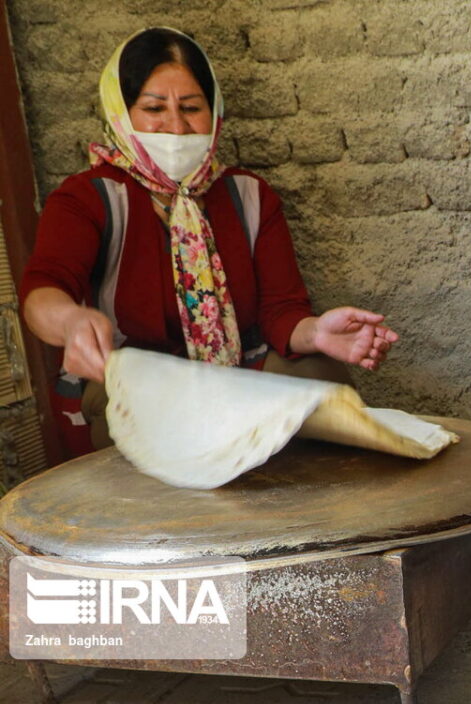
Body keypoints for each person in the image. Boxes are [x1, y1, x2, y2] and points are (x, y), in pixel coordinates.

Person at [19, 27, 398, 448]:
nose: (176, 127)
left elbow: (281, 310)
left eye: (191, 108)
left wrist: (317, 334)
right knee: (142, 421)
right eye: (154, 108)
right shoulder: (89, 198)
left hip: (234, 368)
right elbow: (43, 290)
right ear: (121, 113)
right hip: (137, 379)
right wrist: (71, 322)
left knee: (319, 378)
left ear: (214, 111)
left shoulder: (248, 196)